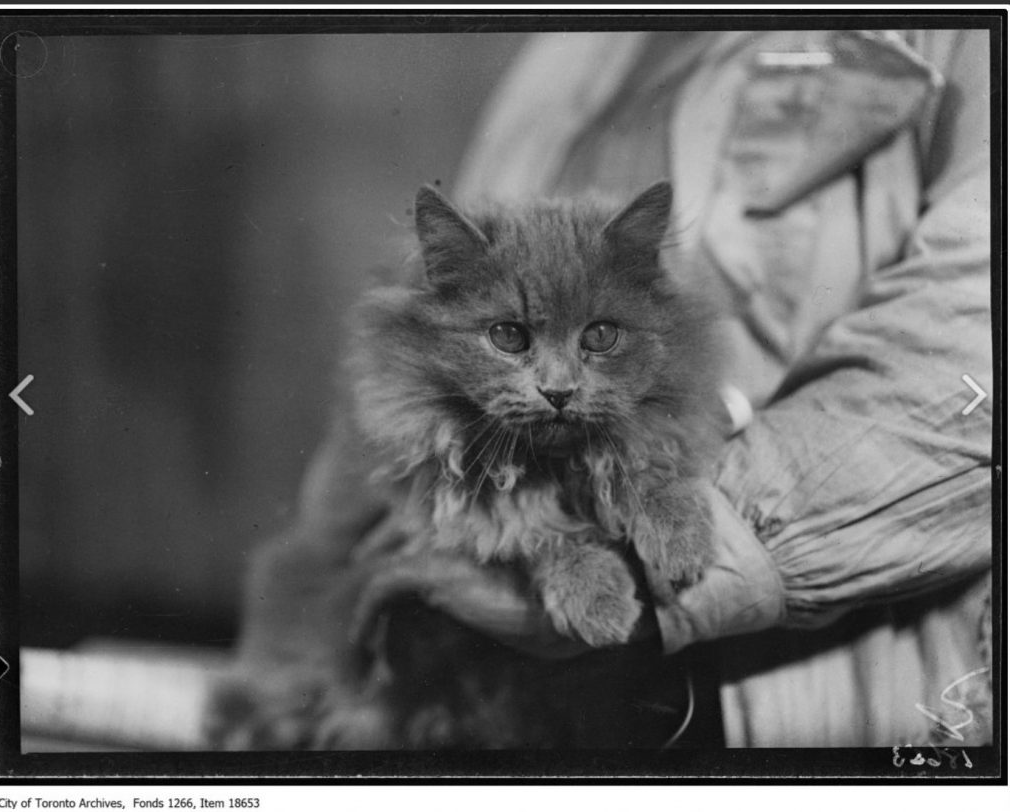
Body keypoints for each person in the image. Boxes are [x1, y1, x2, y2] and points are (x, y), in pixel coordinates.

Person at [347, 28, 993, 748]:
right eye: (515, 343)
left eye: (592, 340)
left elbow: (977, 346)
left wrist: (699, 524)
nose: (557, 383)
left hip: (813, 705)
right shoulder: (558, 49)